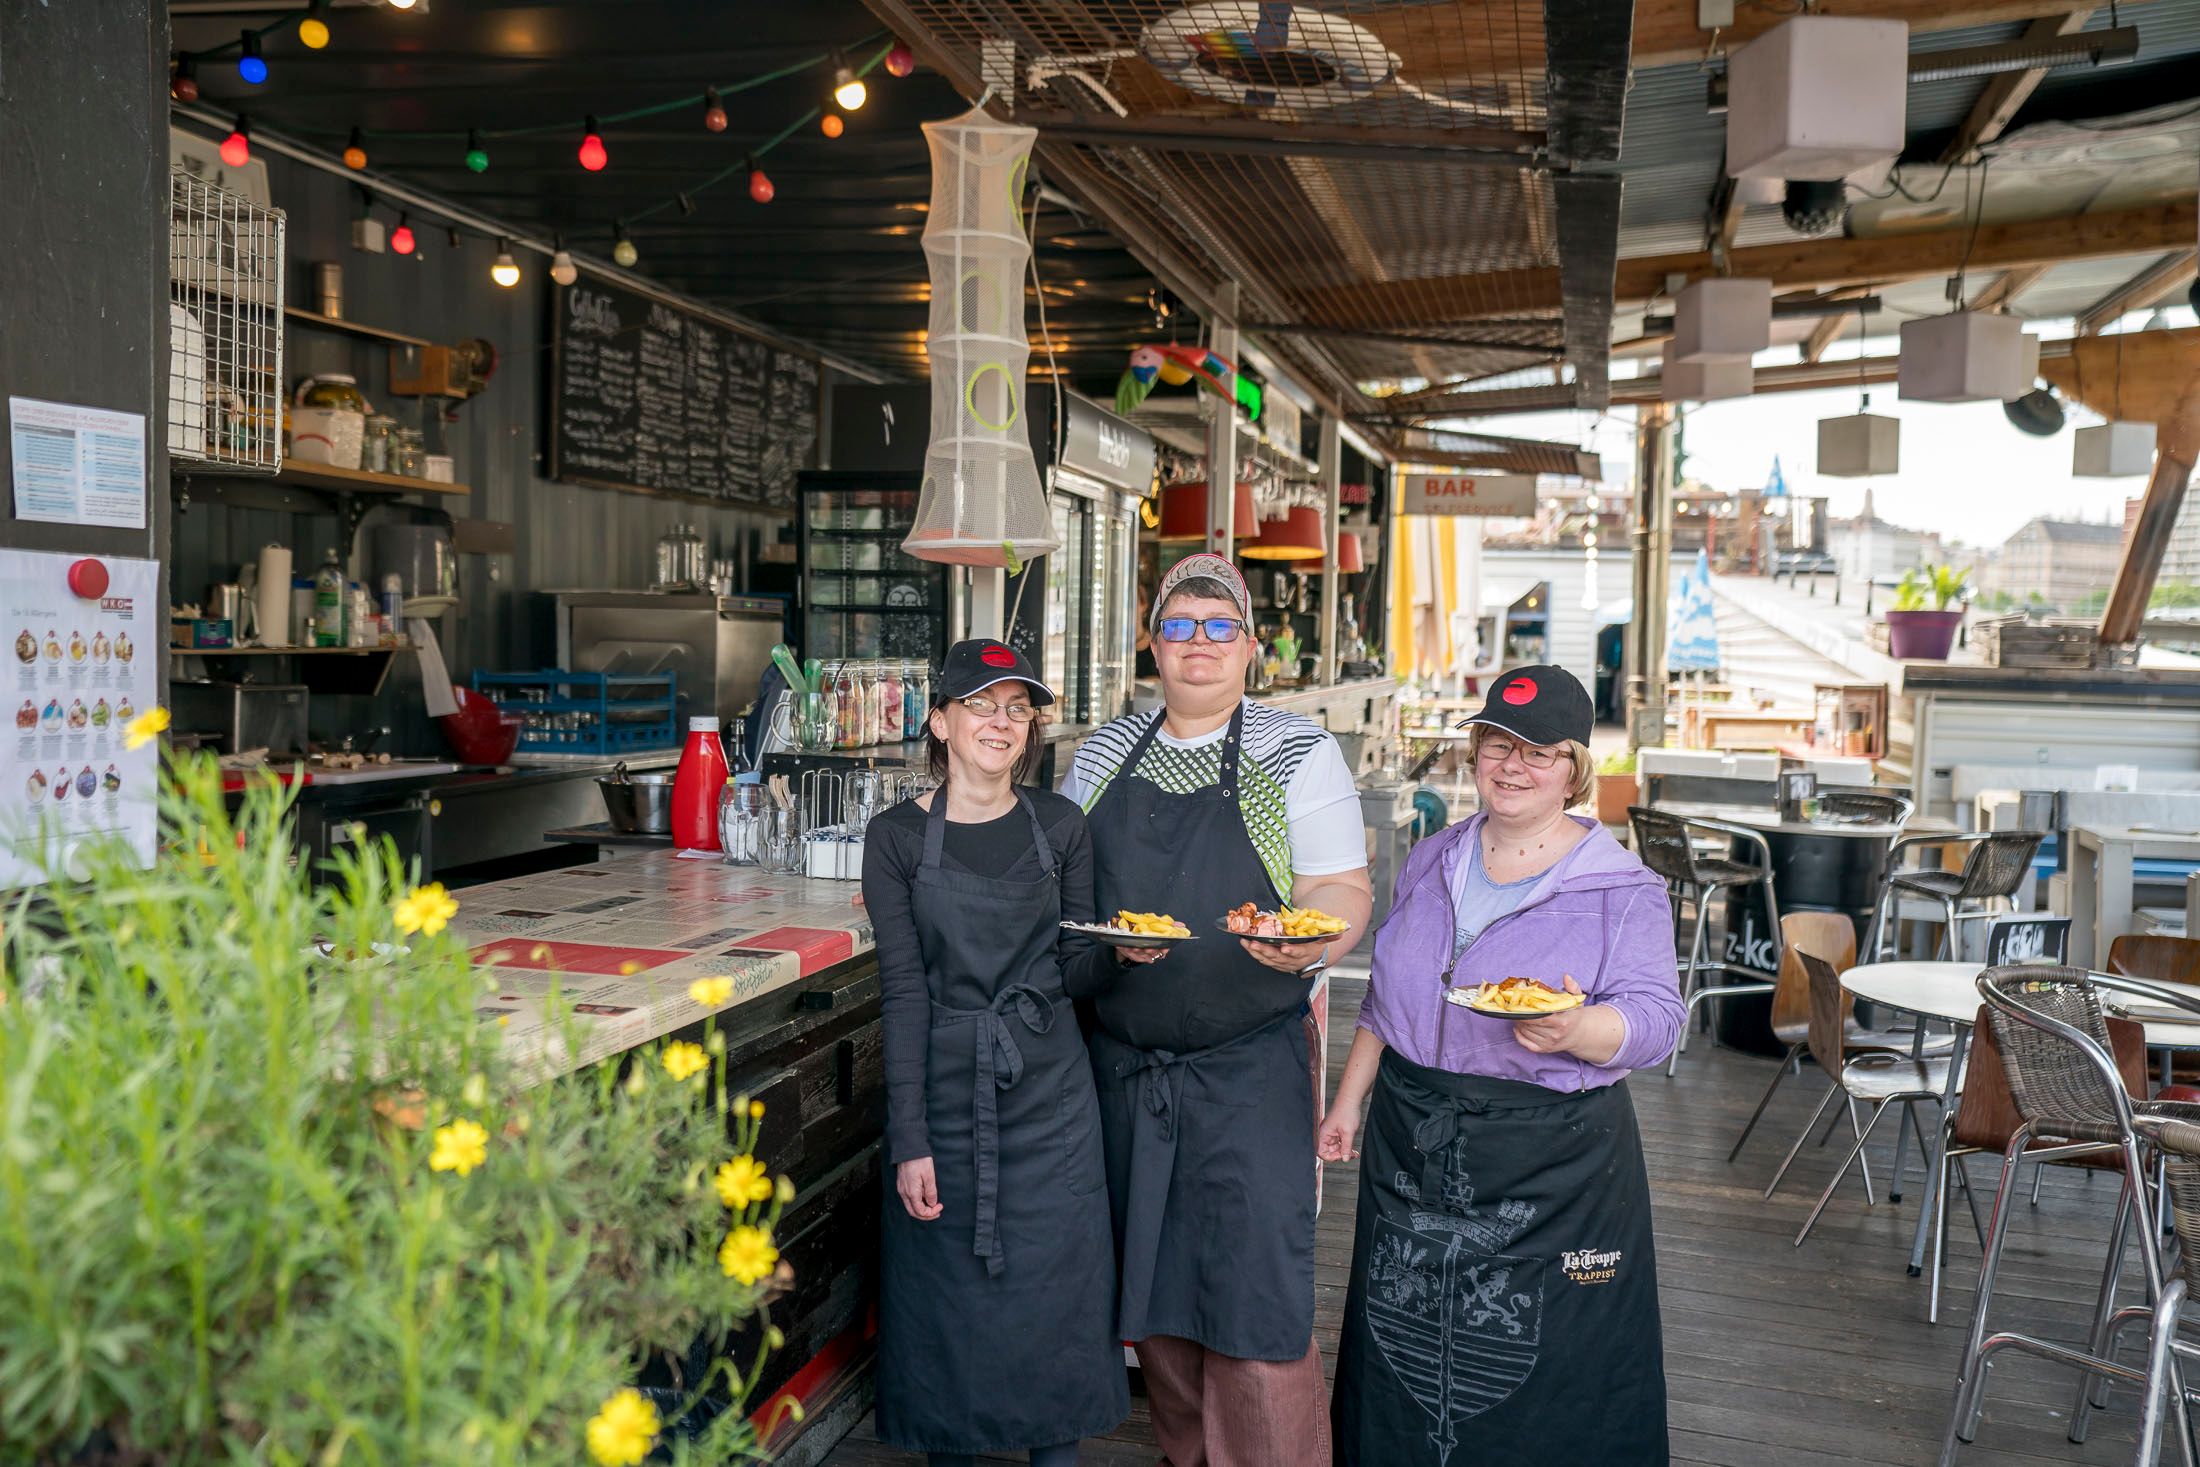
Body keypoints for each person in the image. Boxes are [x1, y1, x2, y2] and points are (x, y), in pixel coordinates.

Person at [1321, 664, 1682, 1466]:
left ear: (1575, 769)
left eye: (1539, 752)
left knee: (1551, 1369)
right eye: (1496, 743)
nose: (1512, 765)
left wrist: (1579, 1027)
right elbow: (1387, 995)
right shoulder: (1434, 857)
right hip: (1411, 1139)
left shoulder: (1622, 890)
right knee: (1401, 1351)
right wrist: (1348, 1103)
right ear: (1475, 750)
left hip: (1553, 1160)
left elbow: (1659, 1023)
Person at [1060, 552, 1374, 1467]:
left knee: (1256, 1301)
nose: (1199, 645)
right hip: (1125, 1066)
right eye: (1181, 626)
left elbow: (1342, 890)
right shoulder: (1105, 753)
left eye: (1219, 627)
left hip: (1249, 1066)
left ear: (1249, 647)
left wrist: (1312, 944)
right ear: (1152, 642)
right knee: (1153, 1294)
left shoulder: (1292, 752)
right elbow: (1067, 889)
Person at [861, 639, 1128, 1467]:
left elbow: (1079, 967)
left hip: (1051, 1101)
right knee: (952, 1327)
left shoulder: (1062, 825)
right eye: (981, 703)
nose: (1001, 721)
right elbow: (903, 992)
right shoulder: (897, 838)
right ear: (940, 721)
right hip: (944, 1096)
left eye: (1018, 707)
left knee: (1055, 1314)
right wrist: (911, 1140)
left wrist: (1121, 950)